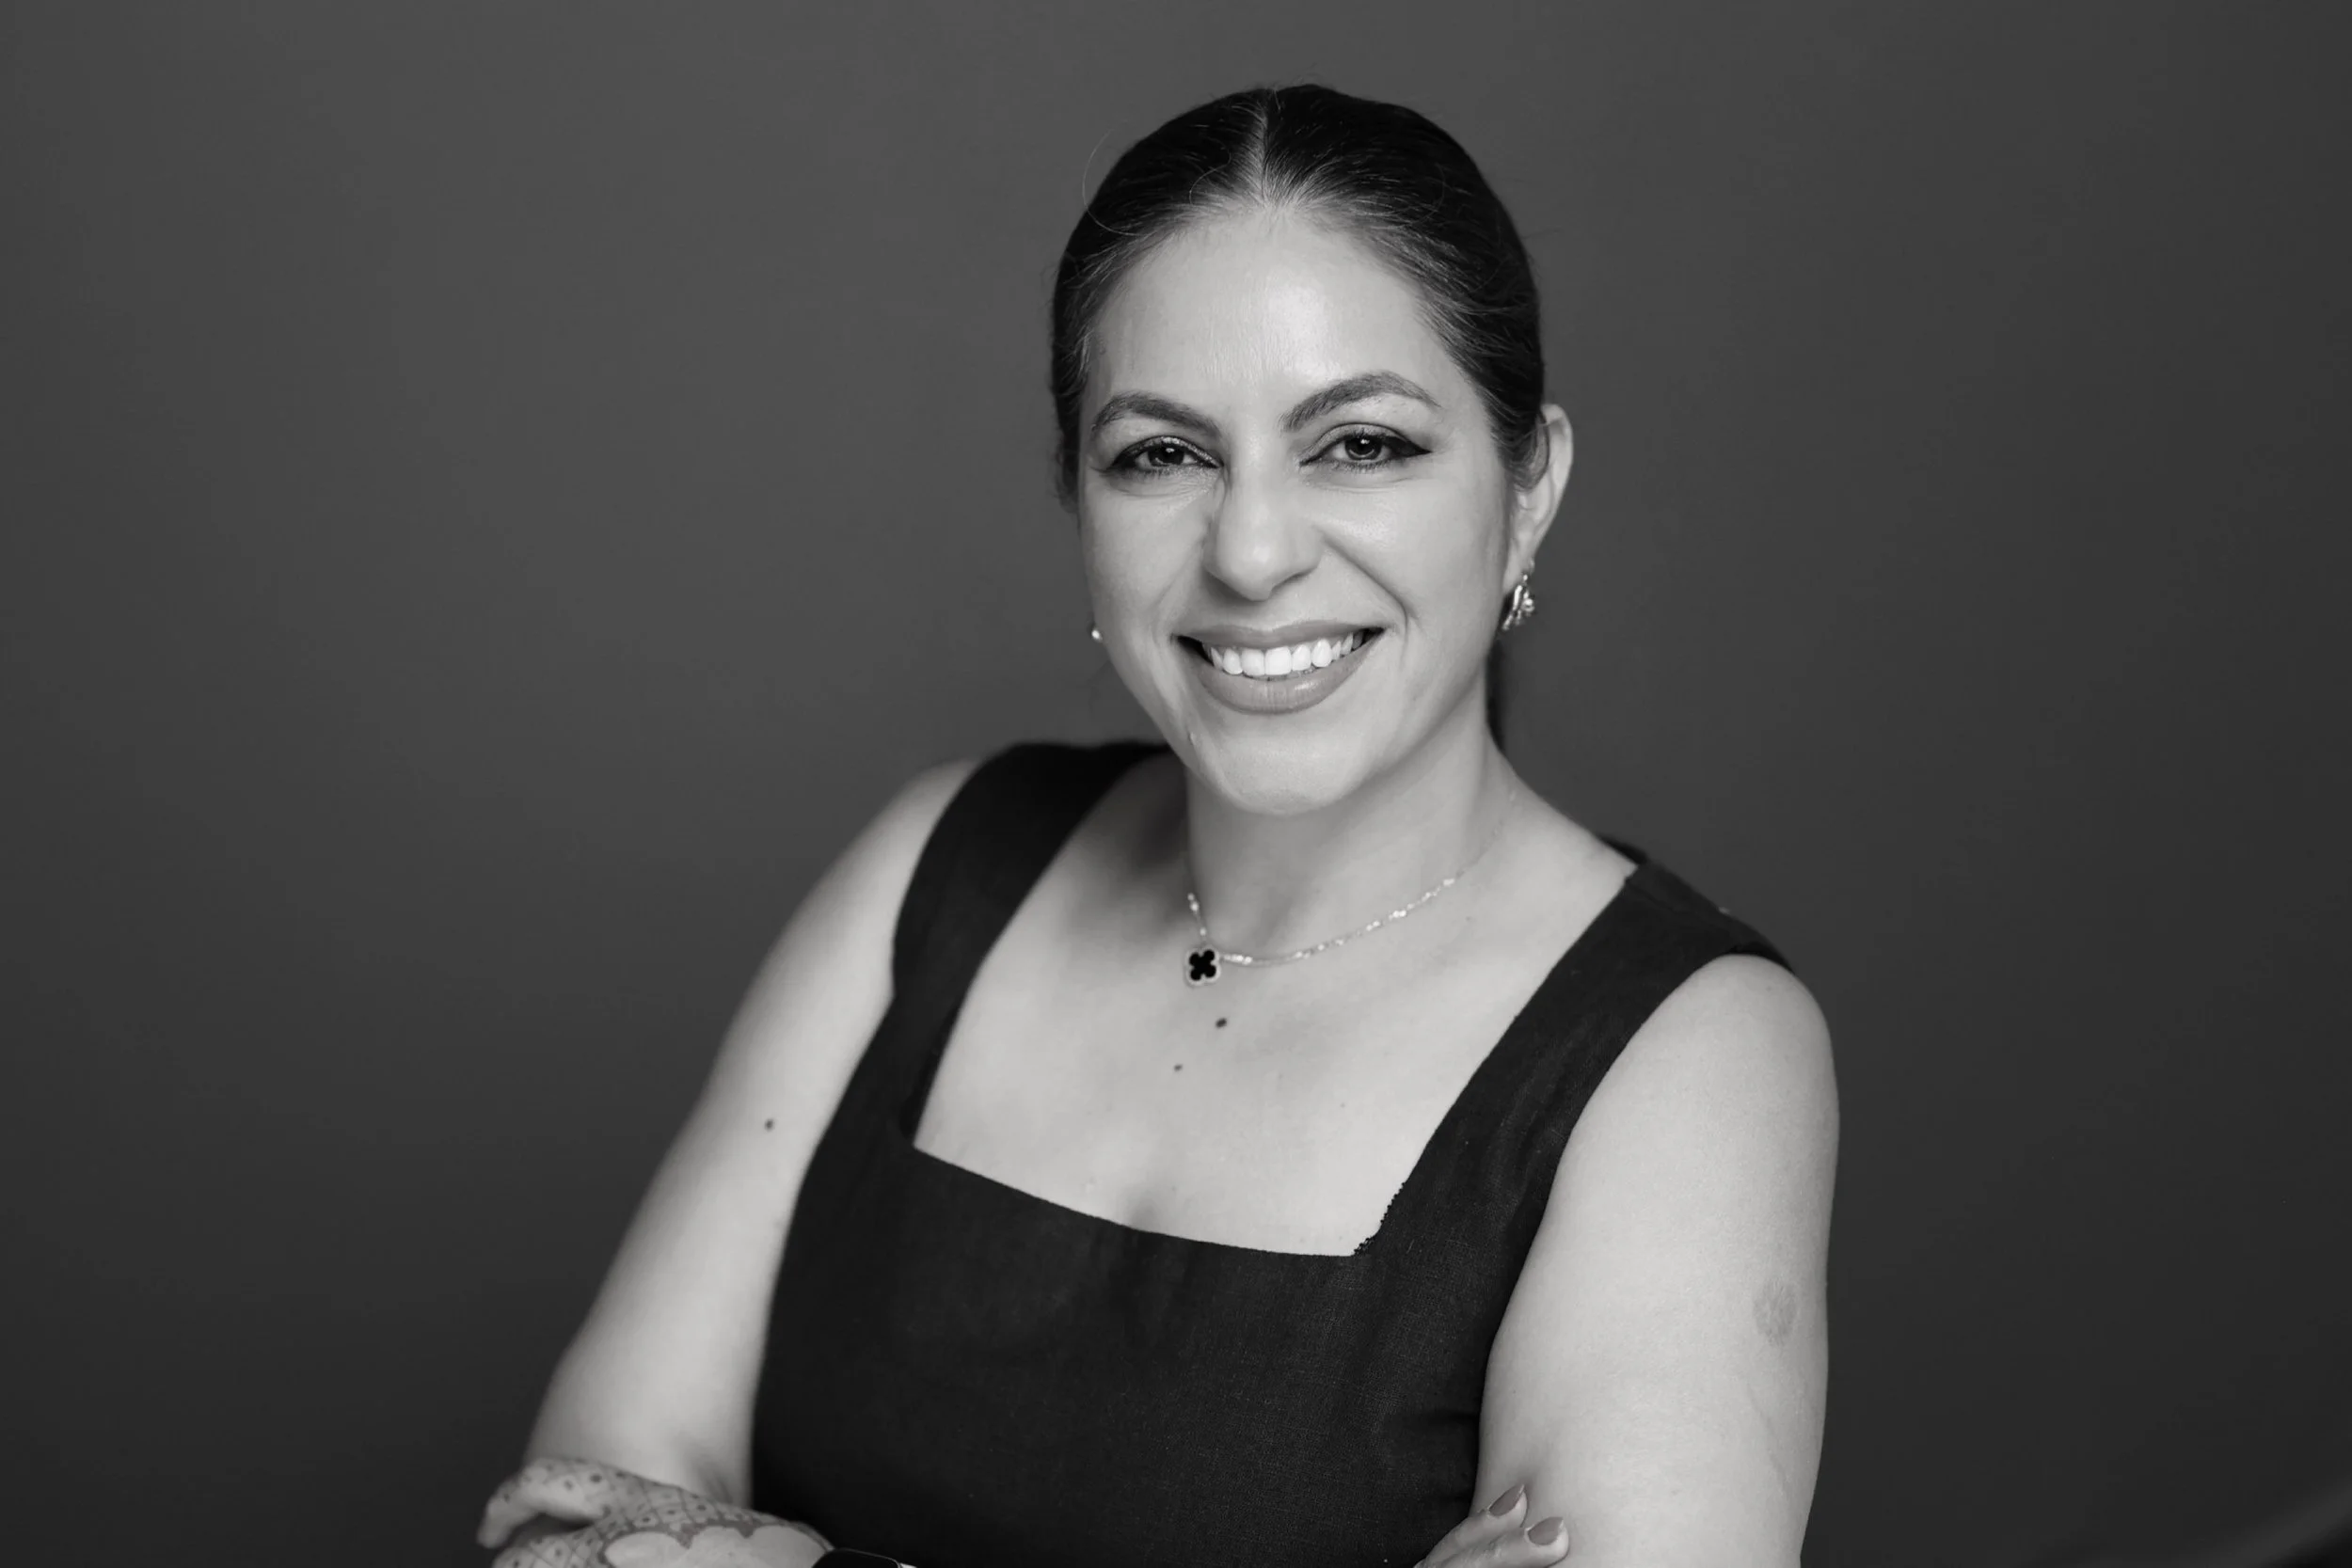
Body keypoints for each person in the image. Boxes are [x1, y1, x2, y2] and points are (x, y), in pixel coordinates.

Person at [478, 83, 1837, 1568]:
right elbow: (557, 1531)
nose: (1251, 550)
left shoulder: (1692, 1049)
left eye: (1360, 442)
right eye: (1162, 455)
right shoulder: (934, 865)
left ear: (1529, 490)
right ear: (1078, 503)